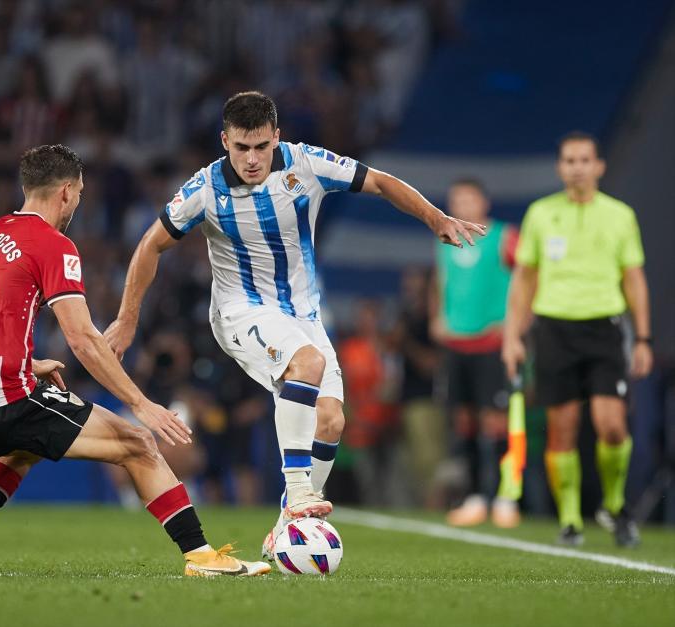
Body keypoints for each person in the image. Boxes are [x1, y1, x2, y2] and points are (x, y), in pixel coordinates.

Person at [103, 91, 485, 562]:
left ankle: (288, 524)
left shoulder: (306, 164)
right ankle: (300, 492)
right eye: (240, 148)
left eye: (261, 147)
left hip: (303, 314)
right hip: (240, 312)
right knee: (308, 363)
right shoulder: (203, 189)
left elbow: (382, 182)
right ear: (225, 141)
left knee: (331, 419)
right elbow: (150, 245)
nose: (251, 158)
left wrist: (435, 217)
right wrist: (126, 319)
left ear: (276, 138)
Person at [0, 144, 269, 577]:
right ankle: (201, 556)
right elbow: (84, 339)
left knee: (24, 445)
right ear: (65, 192)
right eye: (80, 193)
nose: (79, 202)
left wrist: (28, 367)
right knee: (139, 444)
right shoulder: (54, 244)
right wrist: (141, 404)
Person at [502, 132, 652, 547]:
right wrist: (512, 336)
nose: (578, 167)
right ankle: (570, 520)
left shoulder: (620, 215)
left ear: (599, 166)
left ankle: (616, 506)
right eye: (570, 160)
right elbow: (524, 280)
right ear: (560, 168)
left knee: (612, 427)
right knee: (561, 431)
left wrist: (643, 338)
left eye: (585, 160)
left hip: (604, 328)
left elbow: (634, 278)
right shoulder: (540, 214)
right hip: (553, 329)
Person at [433, 179, 520, 527]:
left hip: (492, 342)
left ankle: (503, 497)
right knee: (464, 422)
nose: (464, 205)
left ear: (484, 201)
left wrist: (514, 326)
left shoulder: (505, 236)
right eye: (457, 200)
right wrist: (437, 314)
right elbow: (442, 282)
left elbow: (528, 280)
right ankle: (472, 497)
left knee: (495, 422)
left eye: (469, 199)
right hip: (456, 342)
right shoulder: (444, 238)